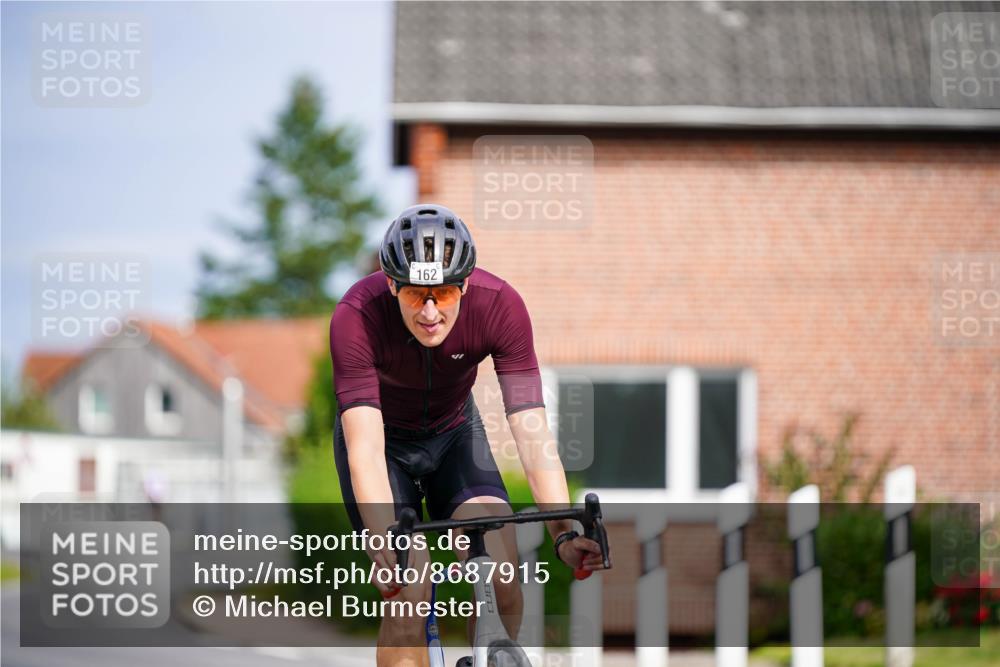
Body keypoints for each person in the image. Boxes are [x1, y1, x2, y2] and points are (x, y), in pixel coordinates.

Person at [330, 204, 607, 666]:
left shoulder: (500, 306)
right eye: (417, 295)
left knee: (502, 573)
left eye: (444, 292)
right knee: (409, 587)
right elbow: (364, 448)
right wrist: (382, 538)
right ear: (392, 284)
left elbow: (531, 429)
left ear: (465, 284)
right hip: (384, 447)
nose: (432, 311)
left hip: (454, 433)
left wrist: (562, 530)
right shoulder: (356, 315)